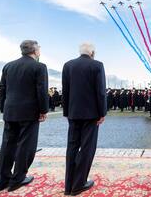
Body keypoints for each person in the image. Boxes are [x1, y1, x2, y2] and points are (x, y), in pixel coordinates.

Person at [0, 40, 49, 192]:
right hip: (29, 112)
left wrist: (5, 107)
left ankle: (1, 181)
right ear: (34, 51)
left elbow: (2, 89)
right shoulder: (39, 66)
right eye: (39, 48)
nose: (39, 51)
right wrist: (43, 110)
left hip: (10, 110)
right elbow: (42, 91)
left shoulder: (8, 66)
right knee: (26, 145)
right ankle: (18, 179)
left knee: (7, 145)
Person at [62, 43, 107, 196]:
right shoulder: (97, 65)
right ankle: (79, 184)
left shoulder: (68, 65)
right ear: (92, 52)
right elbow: (100, 92)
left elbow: (65, 91)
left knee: (72, 147)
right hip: (91, 114)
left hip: (73, 113)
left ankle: (68, 186)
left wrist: (67, 112)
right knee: (87, 148)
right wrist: (103, 113)